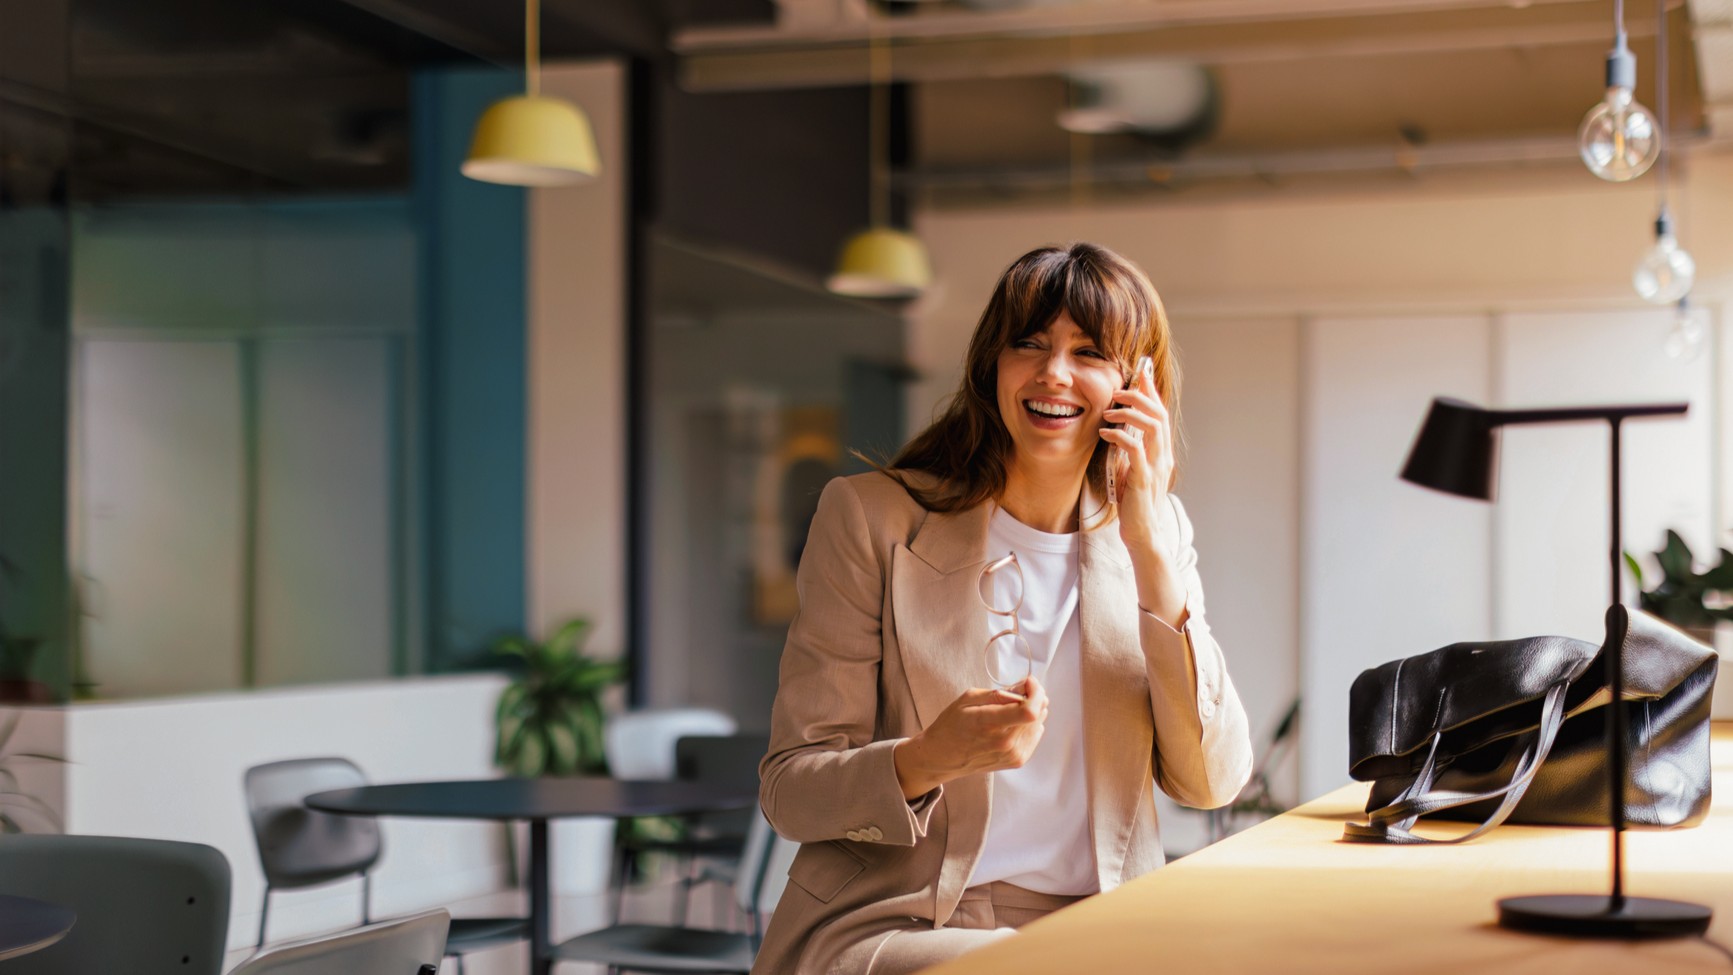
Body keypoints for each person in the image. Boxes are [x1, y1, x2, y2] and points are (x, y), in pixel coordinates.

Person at [753, 243, 1253, 975]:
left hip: (1099, 922)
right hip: (898, 919)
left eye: (1089, 351)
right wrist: (926, 759)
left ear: (1135, 382)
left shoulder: (1157, 531)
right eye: (1029, 343)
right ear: (992, 361)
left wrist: (1146, 546)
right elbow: (789, 792)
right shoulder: (871, 517)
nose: (1053, 372)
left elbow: (1210, 781)